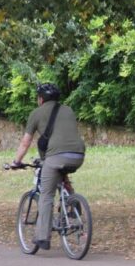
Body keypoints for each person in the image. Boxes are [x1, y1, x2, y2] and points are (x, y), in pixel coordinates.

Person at [11, 83, 85, 251]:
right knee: (61, 174)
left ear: (41, 99)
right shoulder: (68, 110)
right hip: (78, 155)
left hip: (56, 156)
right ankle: (73, 204)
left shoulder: (36, 113)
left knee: (46, 194)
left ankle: (43, 238)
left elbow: (26, 142)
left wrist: (16, 161)